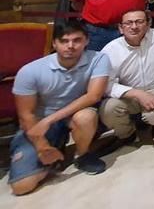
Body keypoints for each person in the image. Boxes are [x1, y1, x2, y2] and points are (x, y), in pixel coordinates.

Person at [8, 22, 111, 195]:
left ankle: (83, 154)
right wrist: (42, 148)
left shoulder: (98, 58)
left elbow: (93, 96)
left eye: (77, 40)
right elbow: (26, 115)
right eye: (64, 41)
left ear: (86, 41)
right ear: (54, 43)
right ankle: (53, 153)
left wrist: (51, 119)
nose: (70, 46)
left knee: (86, 117)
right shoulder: (30, 71)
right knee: (21, 187)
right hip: (39, 123)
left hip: (70, 116)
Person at [99, 9, 154, 143]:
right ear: (121, 28)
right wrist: (136, 93)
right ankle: (127, 134)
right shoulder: (111, 49)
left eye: (139, 22)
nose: (134, 27)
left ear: (148, 24)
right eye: (128, 23)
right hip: (129, 92)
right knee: (108, 109)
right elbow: (105, 84)